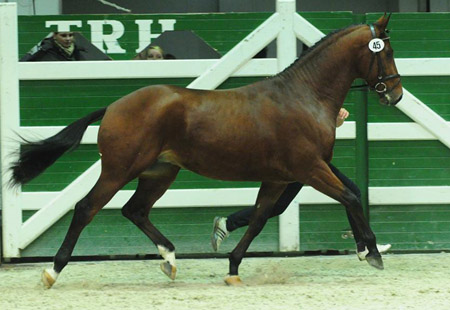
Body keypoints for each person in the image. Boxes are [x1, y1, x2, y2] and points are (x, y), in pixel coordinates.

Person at [211, 108, 391, 260]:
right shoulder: (305, 93)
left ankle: (227, 224)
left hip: (308, 161)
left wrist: (337, 119)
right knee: (351, 193)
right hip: (304, 161)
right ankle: (363, 246)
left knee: (278, 206)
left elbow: (328, 125)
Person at [21, 32, 89, 61]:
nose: (68, 39)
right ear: (55, 36)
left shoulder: (79, 51)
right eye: (63, 35)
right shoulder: (45, 51)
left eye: (70, 35)